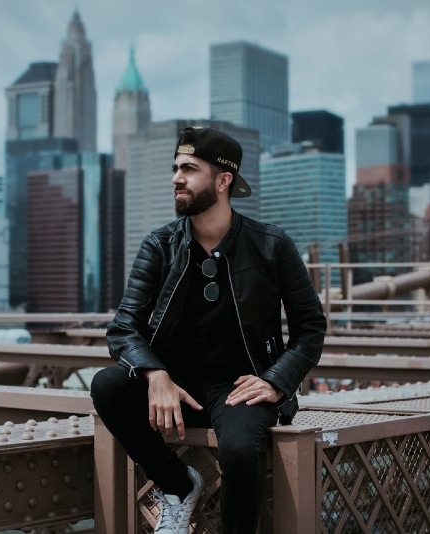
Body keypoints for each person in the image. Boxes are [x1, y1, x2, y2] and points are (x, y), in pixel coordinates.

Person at [90, 126, 327, 534]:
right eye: (175, 168)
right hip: (176, 385)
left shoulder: (272, 245)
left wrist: (275, 381)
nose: (176, 178)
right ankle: (178, 486)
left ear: (223, 181)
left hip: (239, 386)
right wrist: (155, 374)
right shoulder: (159, 245)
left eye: (189, 169)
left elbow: (311, 327)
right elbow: (123, 327)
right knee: (107, 386)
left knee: (238, 450)